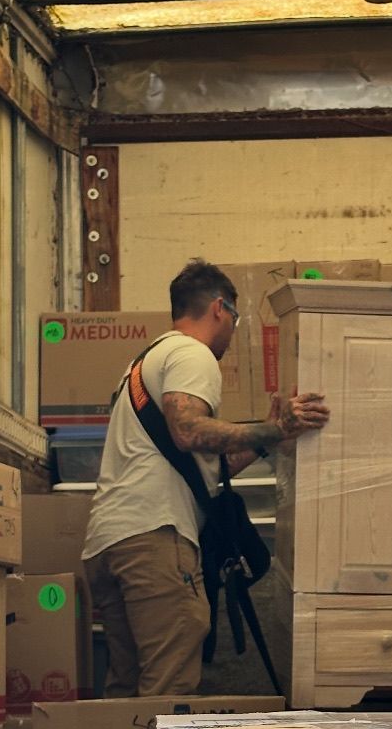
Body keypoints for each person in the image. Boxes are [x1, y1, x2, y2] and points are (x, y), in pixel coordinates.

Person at [82, 259, 330, 697]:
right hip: (153, 539)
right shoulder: (191, 354)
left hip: (109, 542)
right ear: (220, 308)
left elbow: (202, 467)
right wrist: (278, 428)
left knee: (126, 687)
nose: (233, 331)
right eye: (234, 318)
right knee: (169, 686)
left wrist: (263, 441)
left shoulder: (142, 365)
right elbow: (188, 431)